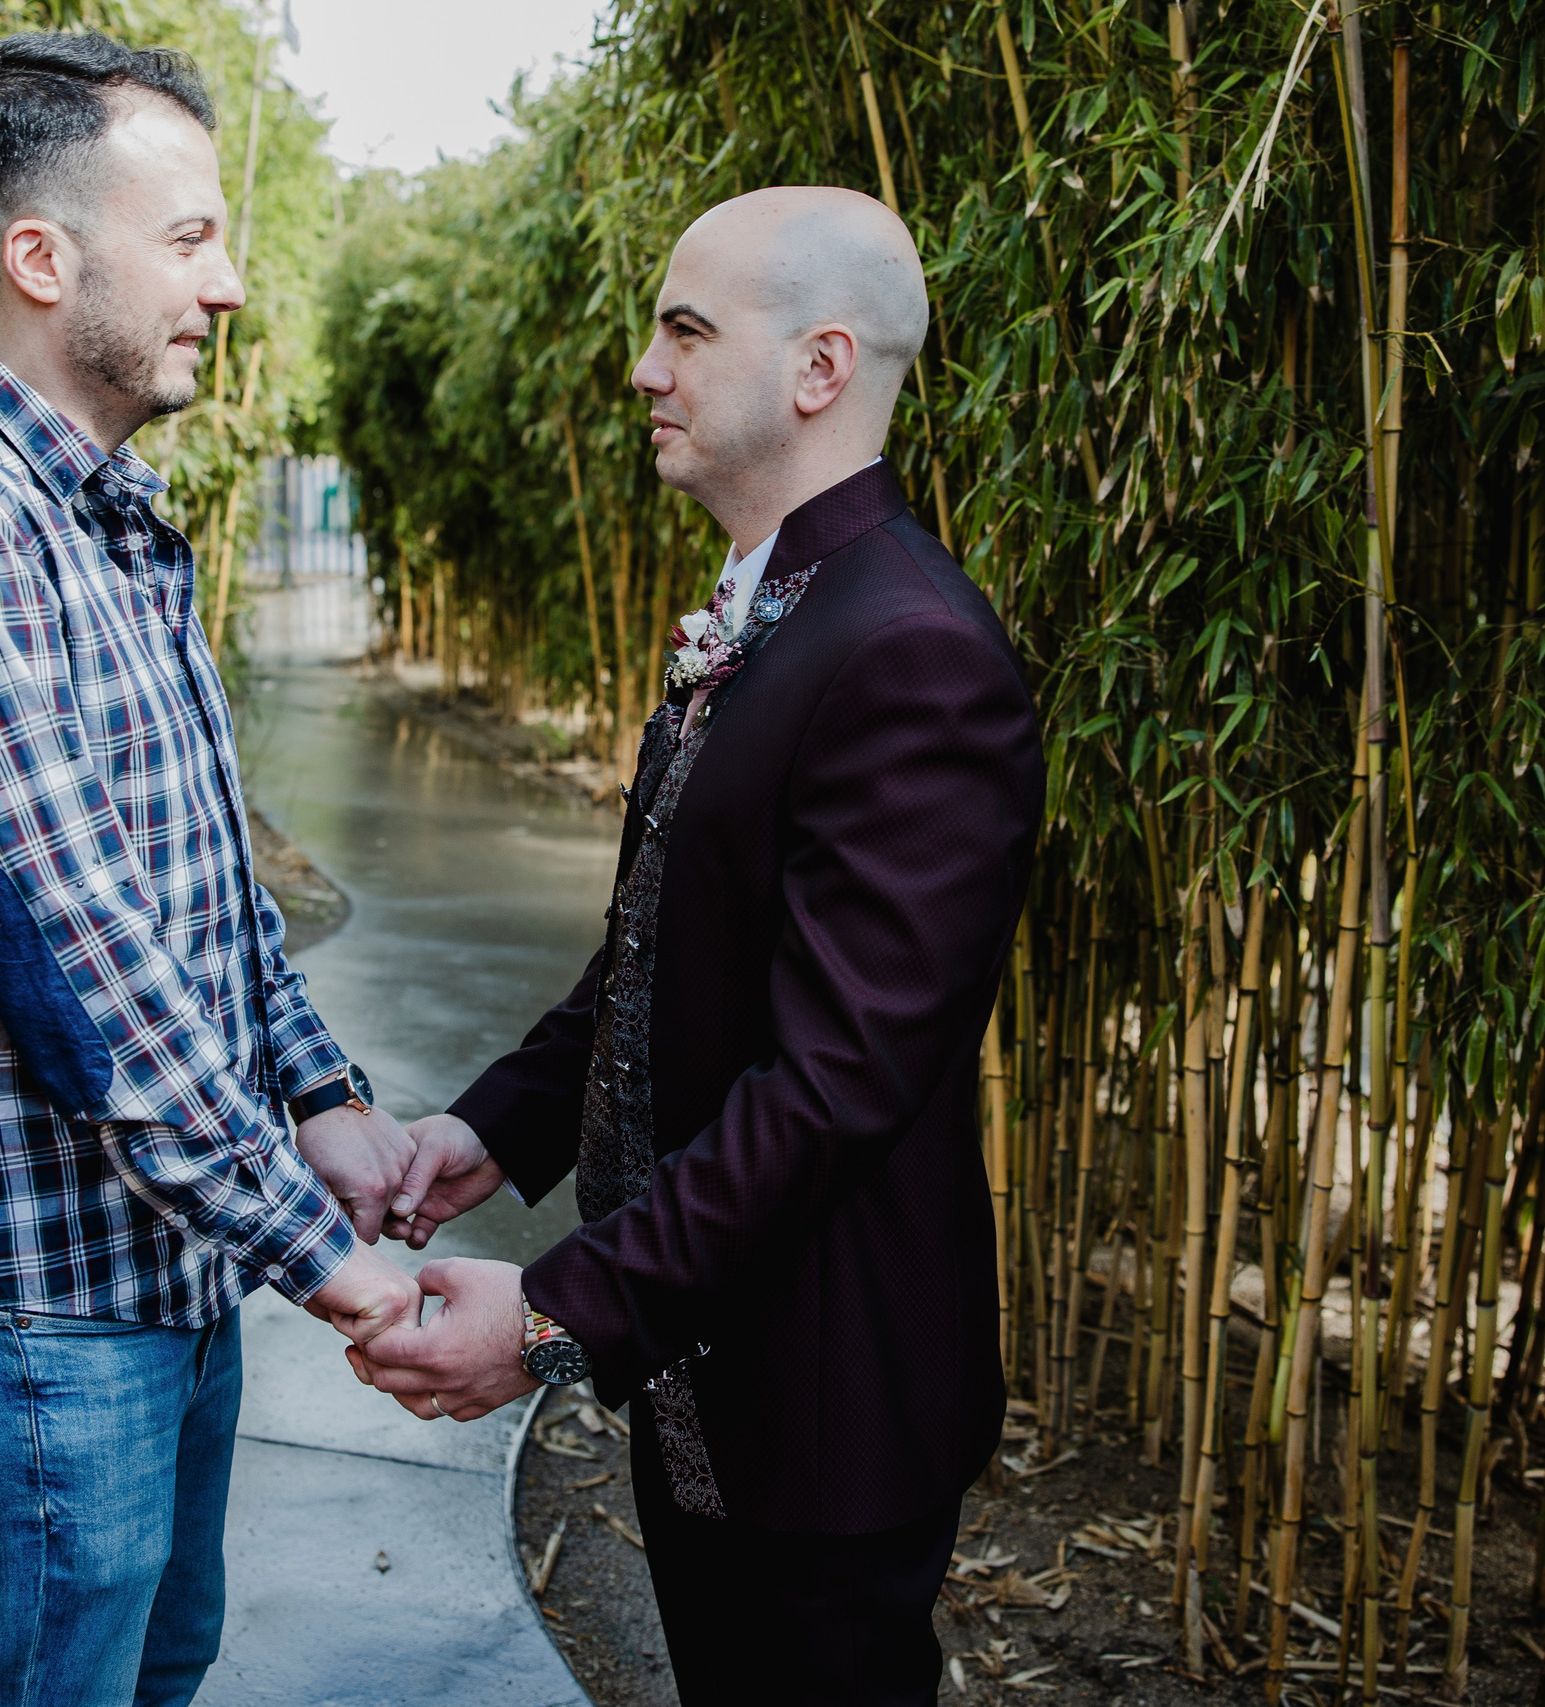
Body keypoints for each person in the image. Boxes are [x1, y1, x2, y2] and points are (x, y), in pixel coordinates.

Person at [357, 187, 1045, 1705]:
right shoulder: (785, 607)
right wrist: (492, 1129)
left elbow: (837, 1086)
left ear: (819, 367)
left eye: (684, 331)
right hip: (711, 1367)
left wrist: (555, 1315)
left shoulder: (912, 650)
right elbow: (656, 949)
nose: (643, 369)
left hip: (822, 1405)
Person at [0, 32, 419, 1707]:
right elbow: (75, 959)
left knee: (161, 1672)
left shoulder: (107, 519)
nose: (230, 283)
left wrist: (319, 1092)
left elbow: (201, 883)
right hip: (40, 1327)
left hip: (168, 1279)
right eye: (191, 238)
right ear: (40, 258)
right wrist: (327, 1257)